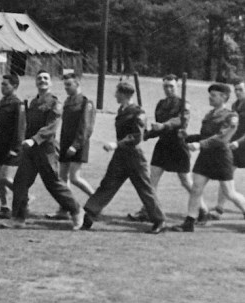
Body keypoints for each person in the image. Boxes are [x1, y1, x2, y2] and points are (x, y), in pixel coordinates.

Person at [81, 81, 165, 234]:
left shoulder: (138, 112)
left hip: (134, 157)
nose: (115, 95)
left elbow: (137, 137)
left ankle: (159, 220)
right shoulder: (122, 110)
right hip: (120, 156)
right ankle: (89, 214)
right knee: (108, 184)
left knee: (144, 189)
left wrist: (116, 144)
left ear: (124, 94)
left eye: (117, 93)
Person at [6, 69, 84, 230]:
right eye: (39, 78)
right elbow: (26, 125)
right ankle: (18, 218)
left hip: (46, 149)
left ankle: (76, 210)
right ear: (35, 82)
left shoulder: (55, 103)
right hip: (30, 150)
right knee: (21, 182)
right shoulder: (32, 103)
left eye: (46, 78)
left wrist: (34, 140)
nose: (42, 80)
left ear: (51, 83)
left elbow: (51, 126)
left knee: (53, 183)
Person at [129, 75, 203, 222]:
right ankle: (147, 210)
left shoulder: (184, 104)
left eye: (171, 86)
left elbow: (180, 120)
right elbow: (158, 127)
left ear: (177, 86)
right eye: (166, 86)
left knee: (185, 181)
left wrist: (164, 125)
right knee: (152, 179)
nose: (168, 89)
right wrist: (147, 134)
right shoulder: (161, 104)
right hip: (163, 145)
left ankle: (202, 209)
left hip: (178, 145)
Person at [173, 83, 245, 232]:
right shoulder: (209, 114)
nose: (210, 98)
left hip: (221, 157)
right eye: (210, 95)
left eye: (213, 95)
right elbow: (205, 135)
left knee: (229, 192)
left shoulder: (231, 116)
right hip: (205, 156)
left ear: (223, 97)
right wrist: (188, 137)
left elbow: (221, 137)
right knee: (196, 188)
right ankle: (189, 222)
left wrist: (200, 145)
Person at [47, 72, 95, 220]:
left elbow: (86, 127)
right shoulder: (67, 101)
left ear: (77, 84)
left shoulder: (86, 102)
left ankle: (96, 202)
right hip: (65, 143)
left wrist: (75, 145)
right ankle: (65, 209)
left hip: (78, 144)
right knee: (62, 178)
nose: (66, 88)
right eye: (65, 85)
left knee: (74, 177)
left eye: (69, 85)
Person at [0, 73, 25, 219]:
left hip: (11, 147)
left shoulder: (18, 104)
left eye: (5, 84)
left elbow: (20, 128)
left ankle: (25, 196)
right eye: (1, 84)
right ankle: (5, 207)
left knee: (4, 177)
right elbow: (0, 125)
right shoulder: (3, 102)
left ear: (14, 86)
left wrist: (16, 148)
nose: (2, 87)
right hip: (0, 145)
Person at [210, 78, 245, 219]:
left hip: (241, 144)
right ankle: (219, 209)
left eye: (240, 89)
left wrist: (238, 142)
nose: (238, 92)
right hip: (236, 146)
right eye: (236, 89)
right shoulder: (235, 105)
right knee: (225, 176)